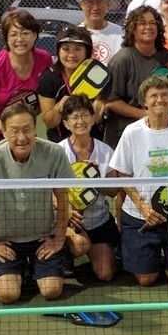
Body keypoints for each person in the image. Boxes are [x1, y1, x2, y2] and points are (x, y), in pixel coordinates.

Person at [109, 75, 168, 287]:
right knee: (146, 279)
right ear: (144, 101)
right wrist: (143, 207)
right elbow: (123, 175)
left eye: (164, 95)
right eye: (153, 95)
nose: (159, 100)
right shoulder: (131, 132)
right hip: (140, 215)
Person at [0, 102, 74, 304]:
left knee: (52, 291)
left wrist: (58, 239)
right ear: (4, 132)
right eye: (14, 131)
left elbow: (63, 199)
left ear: (35, 129)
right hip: (7, 241)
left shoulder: (54, 153)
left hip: (42, 239)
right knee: (8, 295)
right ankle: (21, 269)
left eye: (27, 130)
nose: (22, 138)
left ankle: (33, 268)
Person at [57, 95, 120, 282]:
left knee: (106, 274)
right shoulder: (58, 152)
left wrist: (94, 178)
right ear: (66, 123)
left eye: (85, 115)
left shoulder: (105, 151)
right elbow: (48, 192)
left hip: (98, 220)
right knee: (79, 246)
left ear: (93, 119)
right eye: (74, 117)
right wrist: (67, 210)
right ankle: (64, 252)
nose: (80, 121)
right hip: (68, 220)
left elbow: (113, 191)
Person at [0, 10, 51, 152]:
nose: (20, 39)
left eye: (25, 33)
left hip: (26, 135)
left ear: (35, 35)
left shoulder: (44, 59)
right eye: (13, 34)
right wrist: (7, 128)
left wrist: (25, 123)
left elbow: (45, 96)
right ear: (6, 38)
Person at [102, 6, 168, 147]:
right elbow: (111, 101)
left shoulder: (167, 57)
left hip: (160, 131)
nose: (148, 27)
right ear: (133, 29)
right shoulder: (122, 59)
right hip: (124, 134)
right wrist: (146, 114)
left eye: (153, 23)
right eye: (142, 23)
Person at [38, 24, 103, 143]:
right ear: (58, 51)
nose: (72, 55)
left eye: (78, 49)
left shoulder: (98, 74)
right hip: (59, 142)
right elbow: (50, 122)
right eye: (66, 49)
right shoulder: (48, 78)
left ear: (87, 52)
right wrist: (59, 107)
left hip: (93, 140)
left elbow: (97, 118)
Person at [78, 0, 124, 64]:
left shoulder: (121, 33)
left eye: (100, 2)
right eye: (90, 2)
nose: (95, 8)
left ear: (108, 4)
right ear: (81, 4)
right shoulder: (76, 35)